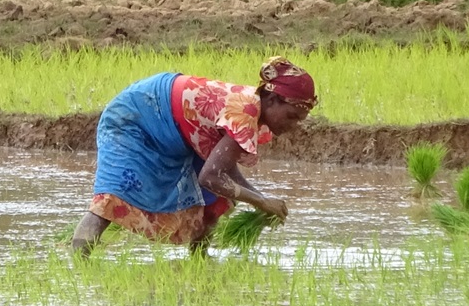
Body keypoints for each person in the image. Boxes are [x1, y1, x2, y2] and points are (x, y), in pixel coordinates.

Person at [73, 57, 316, 254]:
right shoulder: (244, 112)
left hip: (175, 127)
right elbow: (211, 176)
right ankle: (79, 264)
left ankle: (199, 258)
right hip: (138, 116)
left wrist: (262, 200)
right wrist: (262, 202)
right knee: (113, 196)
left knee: (213, 199)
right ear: (272, 100)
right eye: (291, 116)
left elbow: (224, 170)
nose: (292, 126)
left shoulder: (251, 112)